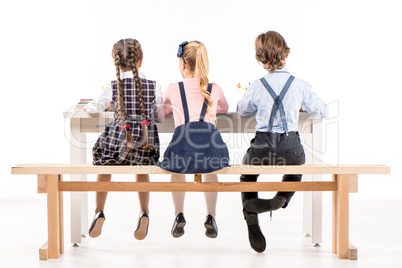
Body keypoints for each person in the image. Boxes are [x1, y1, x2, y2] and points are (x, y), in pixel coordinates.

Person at [237, 31, 327, 253]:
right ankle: (281, 199)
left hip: (262, 149)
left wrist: (253, 95)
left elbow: (241, 111)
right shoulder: (300, 85)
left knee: (247, 174)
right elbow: (322, 110)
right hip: (291, 148)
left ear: (260, 59)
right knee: (296, 170)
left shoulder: (257, 85)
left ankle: (251, 217)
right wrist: (301, 106)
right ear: (286, 53)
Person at [85, 38, 164, 240]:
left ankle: (99, 211)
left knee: (104, 165)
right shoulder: (153, 86)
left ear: (116, 63)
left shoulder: (113, 86)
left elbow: (92, 108)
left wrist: (114, 105)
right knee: (141, 168)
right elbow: (159, 118)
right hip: (144, 151)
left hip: (117, 150)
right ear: (141, 61)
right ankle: (144, 211)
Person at [161, 41, 229, 238]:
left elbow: (162, 111)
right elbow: (224, 108)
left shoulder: (173, 88)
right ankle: (210, 215)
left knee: (175, 169)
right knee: (212, 168)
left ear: (183, 64)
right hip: (209, 148)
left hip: (183, 148)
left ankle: (179, 214)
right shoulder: (214, 88)